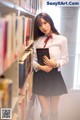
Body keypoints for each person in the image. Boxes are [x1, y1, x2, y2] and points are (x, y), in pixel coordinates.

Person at [32, 12, 69, 120]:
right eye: (40, 25)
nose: (43, 27)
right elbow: (33, 61)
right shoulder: (37, 41)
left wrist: (55, 64)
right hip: (40, 77)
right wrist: (40, 67)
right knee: (45, 111)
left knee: (54, 111)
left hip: (54, 76)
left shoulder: (61, 39)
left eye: (45, 23)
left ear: (50, 22)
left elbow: (65, 59)